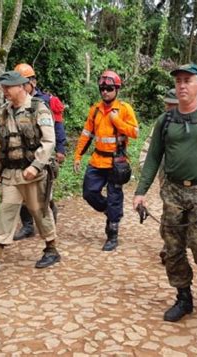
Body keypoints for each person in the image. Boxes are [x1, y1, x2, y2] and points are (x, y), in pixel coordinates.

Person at [133, 63, 197, 322]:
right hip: (172, 191)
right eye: (178, 81)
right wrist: (140, 192)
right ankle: (184, 298)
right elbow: (152, 158)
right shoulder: (166, 120)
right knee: (173, 249)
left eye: (187, 80)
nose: (181, 85)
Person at [0, 70, 60, 276]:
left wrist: (35, 166)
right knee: (5, 211)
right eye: (3, 88)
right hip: (11, 173)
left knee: (39, 211)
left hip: (34, 173)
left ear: (21, 86)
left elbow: (49, 141)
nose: (5, 91)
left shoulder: (38, 108)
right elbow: (2, 143)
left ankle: (51, 248)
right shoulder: (5, 111)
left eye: (8, 87)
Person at [73, 70, 139, 251]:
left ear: (116, 89)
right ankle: (109, 211)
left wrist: (117, 121)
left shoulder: (124, 109)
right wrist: (78, 156)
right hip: (97, 161)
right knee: (89, 192)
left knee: (114, 196)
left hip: (116, 162)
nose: (105, 92)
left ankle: (112, 233)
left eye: (109, 88)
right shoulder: (95, 110)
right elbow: (86, 135)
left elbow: (135, 132)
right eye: (102, 88)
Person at [12, 63, 67, 240]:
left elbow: (57, 126)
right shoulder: (13, 104)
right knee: (21, 190)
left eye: (23, 83)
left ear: (32, 82)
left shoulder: (48, 101)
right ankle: (27, 226)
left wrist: (60, 149)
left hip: (42, 153)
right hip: (20, 155)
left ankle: (48, 224)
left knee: (43, 194)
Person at [138, 88, 179, 265]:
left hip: (192, 178)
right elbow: (149, 148)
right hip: (167, 176)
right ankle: (169, 247)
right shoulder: (162, 123)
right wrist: (144, 167)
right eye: (167, 104)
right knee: (170, 211)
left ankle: (181, 245)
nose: (169, 107)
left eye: (173, 105)